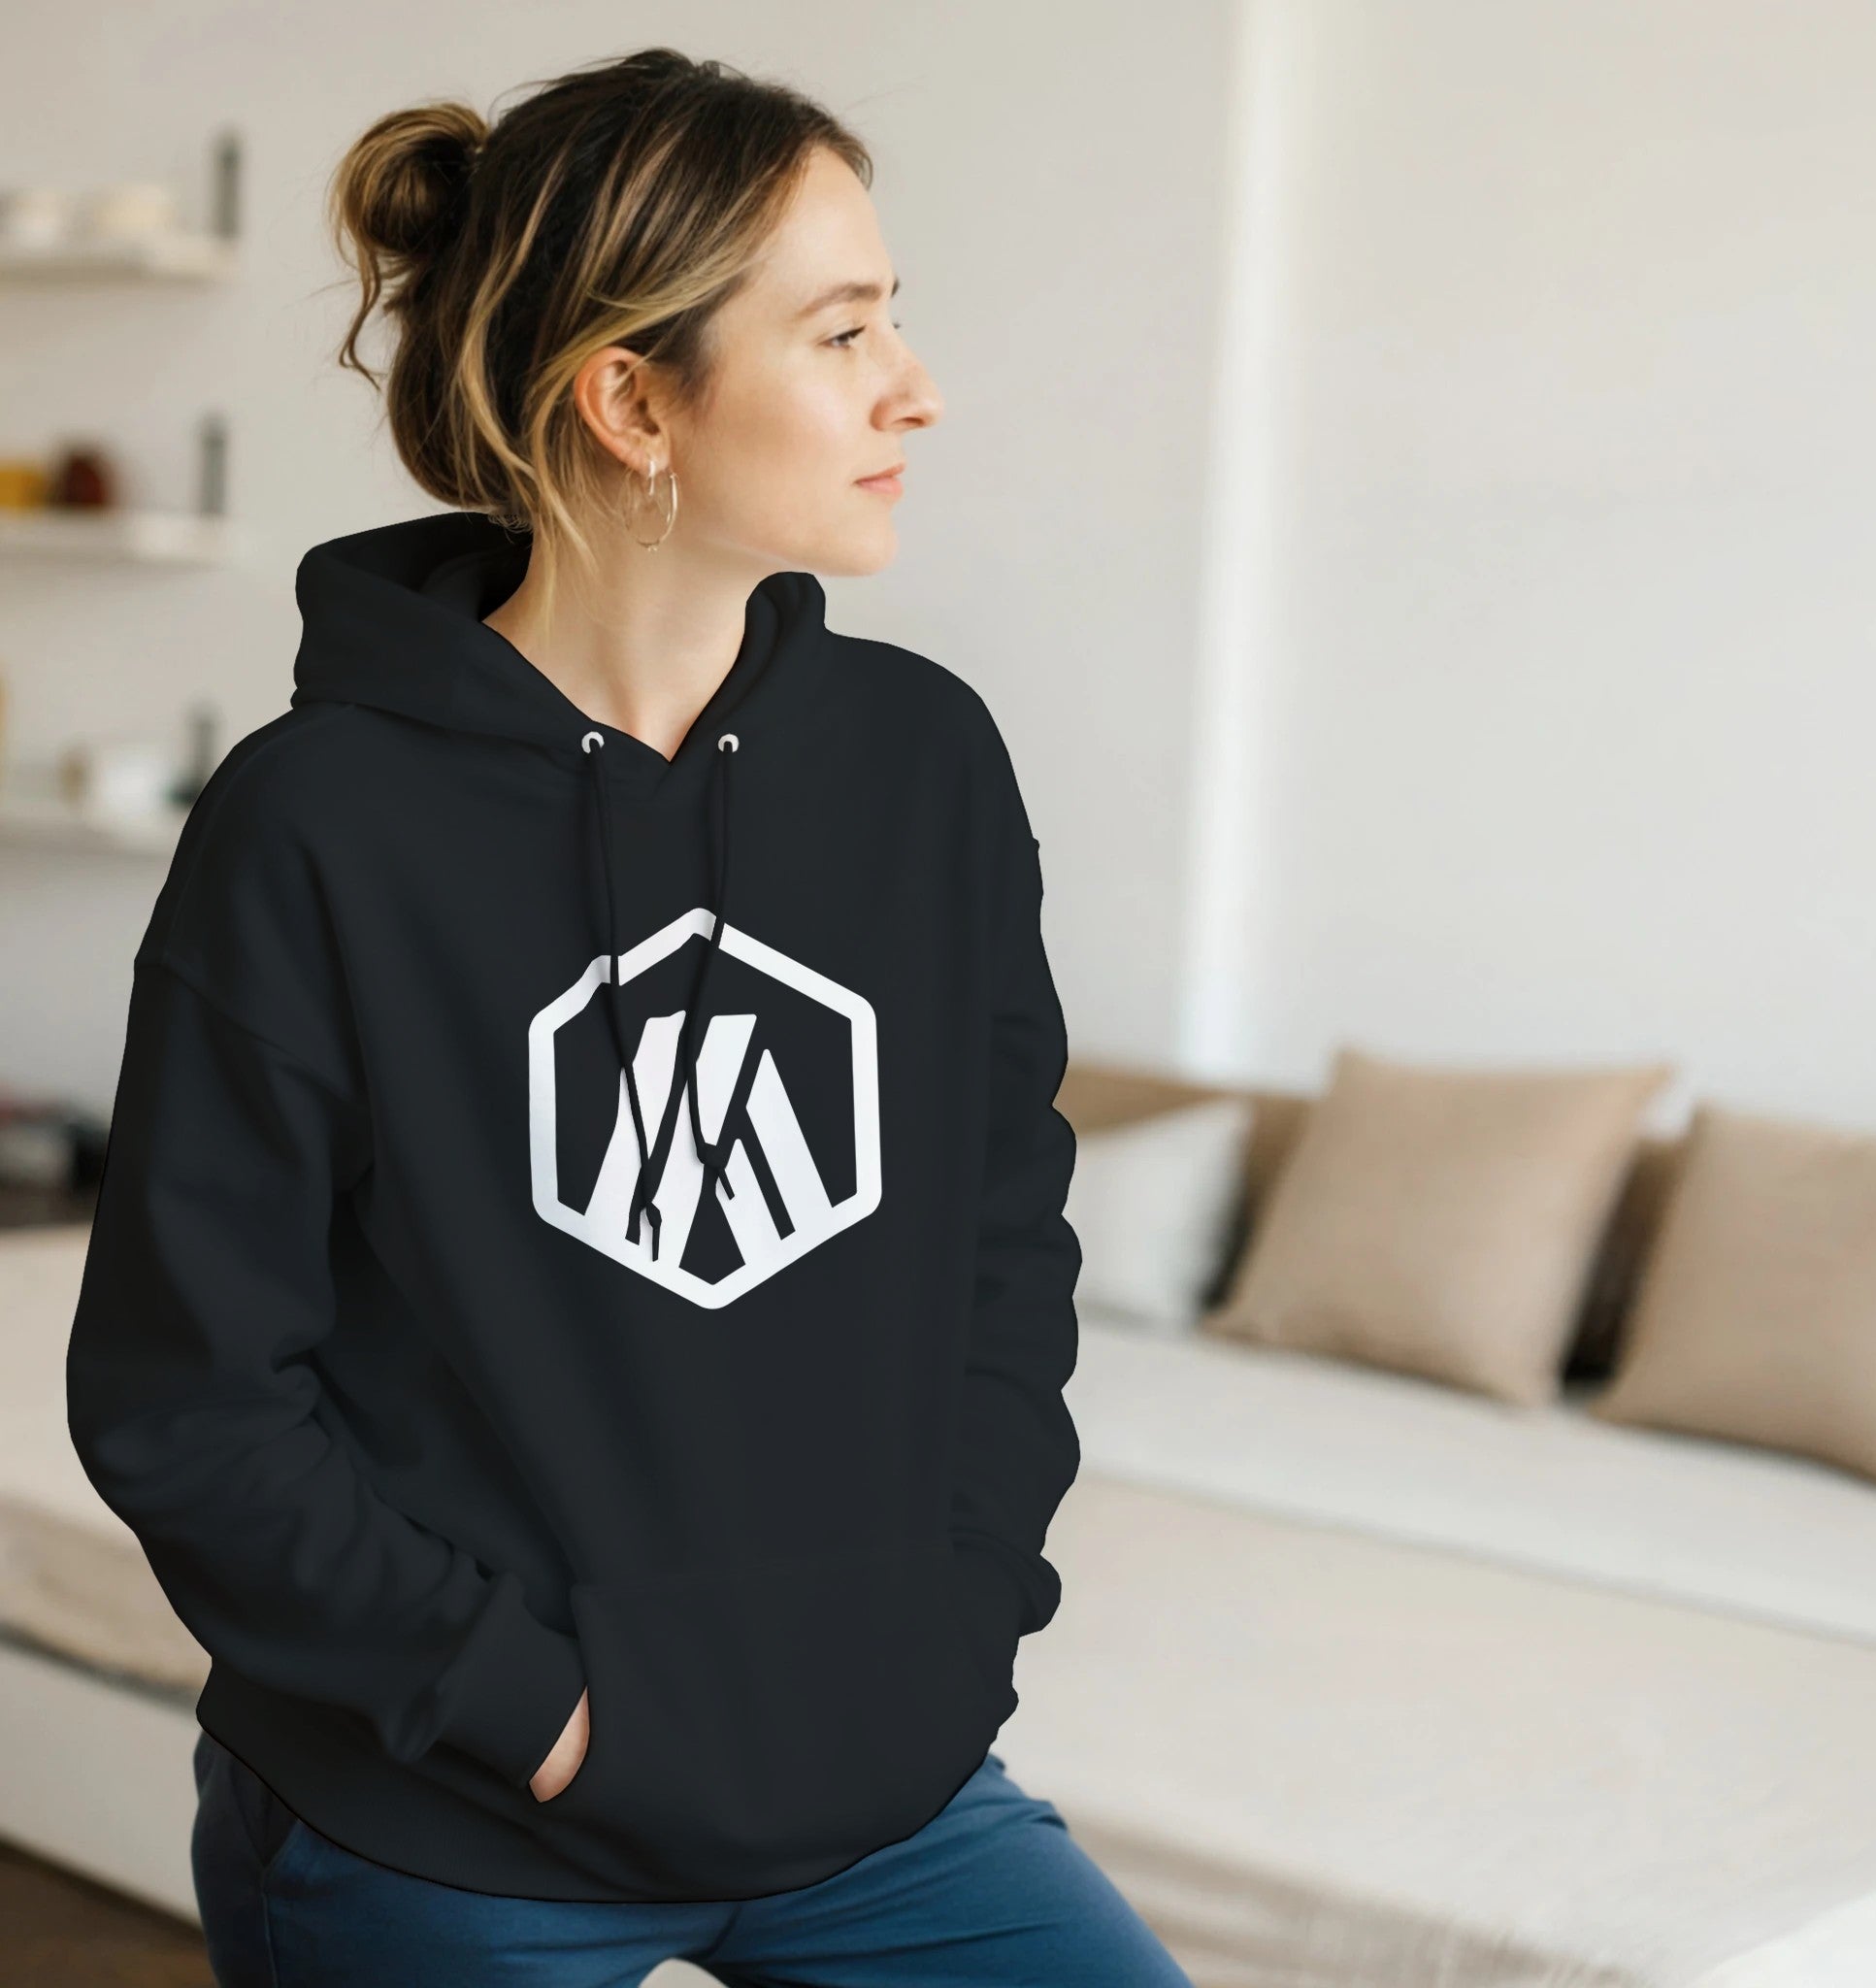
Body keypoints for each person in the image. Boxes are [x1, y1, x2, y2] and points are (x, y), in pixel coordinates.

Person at [64, 45, 1193, 1988]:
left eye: (892, 321)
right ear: (631, 400)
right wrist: (540, 1709)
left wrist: (959, 1626)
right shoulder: (317, 823)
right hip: (456, 1813)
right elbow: (189, 1399)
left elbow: (1005, 1243)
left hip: (881, 1789)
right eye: (842, 334)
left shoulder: (923, 766)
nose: (916, 388)